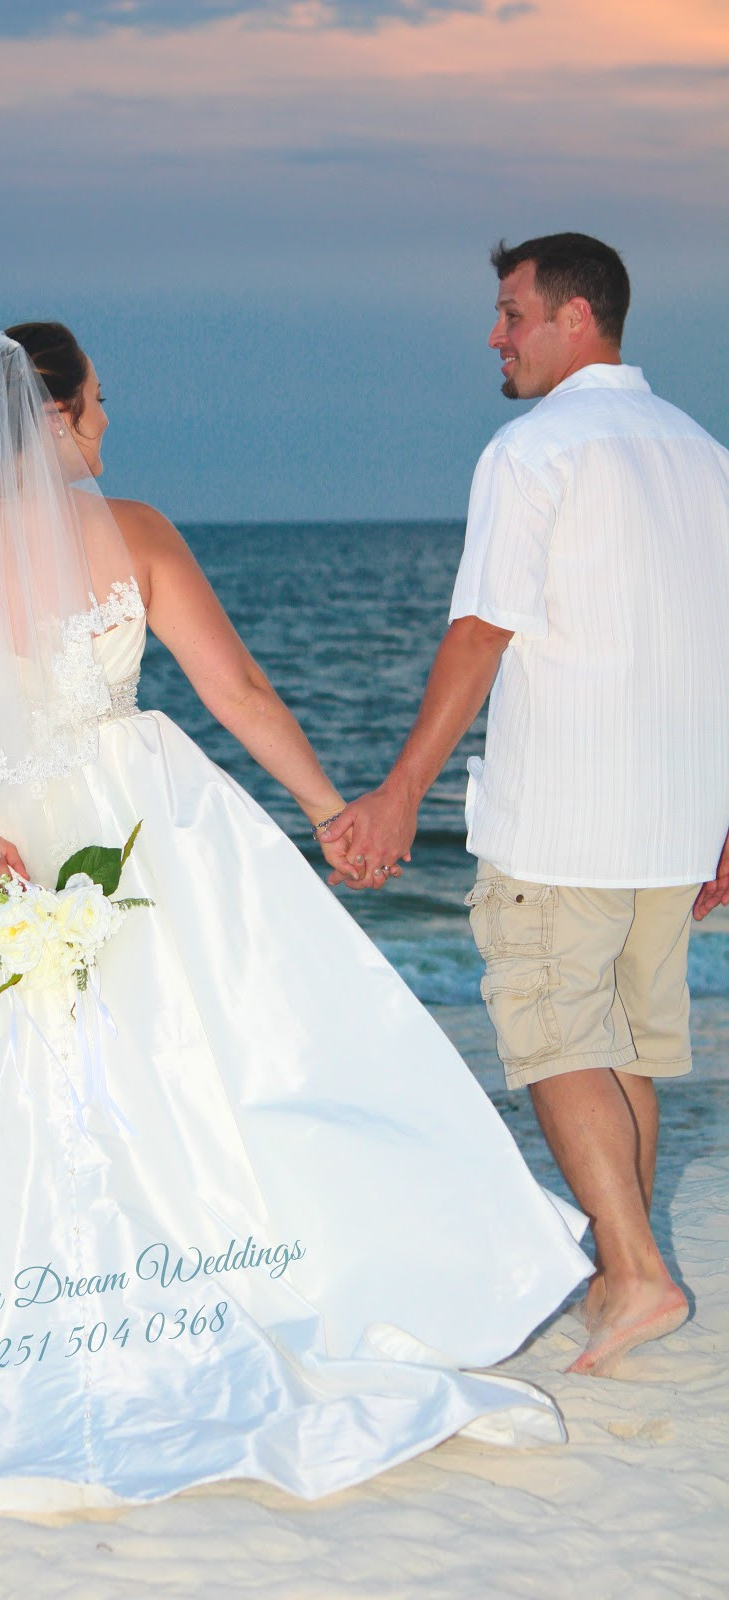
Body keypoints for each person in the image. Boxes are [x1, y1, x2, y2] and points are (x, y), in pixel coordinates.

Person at [0, 325, 589, 1513]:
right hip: (129, 814)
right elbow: (236, 692)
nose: (108, 425)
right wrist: (329, 813)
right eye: (95, 404)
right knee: (190, 1054)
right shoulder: (135, 532)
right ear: (49, 413)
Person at [324, 233, 729, 1379]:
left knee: (553, 1035)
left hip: (565, 812)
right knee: (624, 1050)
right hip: (674, 819)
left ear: (576, 318)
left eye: (510, 313)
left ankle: (638, 1272)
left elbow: (479, 630)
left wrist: (399, 787)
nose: (493, 336)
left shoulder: (532, 450)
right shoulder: (706, 457)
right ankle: (621, 1271)